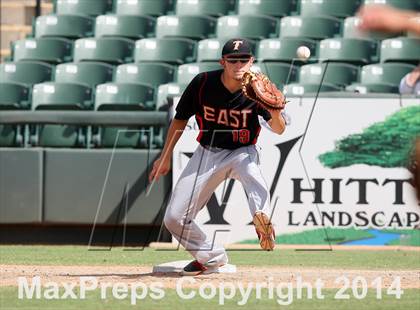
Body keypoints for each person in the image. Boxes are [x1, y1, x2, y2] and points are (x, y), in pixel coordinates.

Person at [148, 38, 286, 276]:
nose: (238, 64)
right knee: (173, 218)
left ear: (251, 61)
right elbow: (180, 119)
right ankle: (212, 257)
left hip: (243, 151)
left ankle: (261, 218)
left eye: (244, 59)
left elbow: (280, 128)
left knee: (252, 173)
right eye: (233, 60)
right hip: (208, 153)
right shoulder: (203, 83)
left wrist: (274, 111)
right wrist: (165, 156)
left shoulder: (257, 89)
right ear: (223, 62)